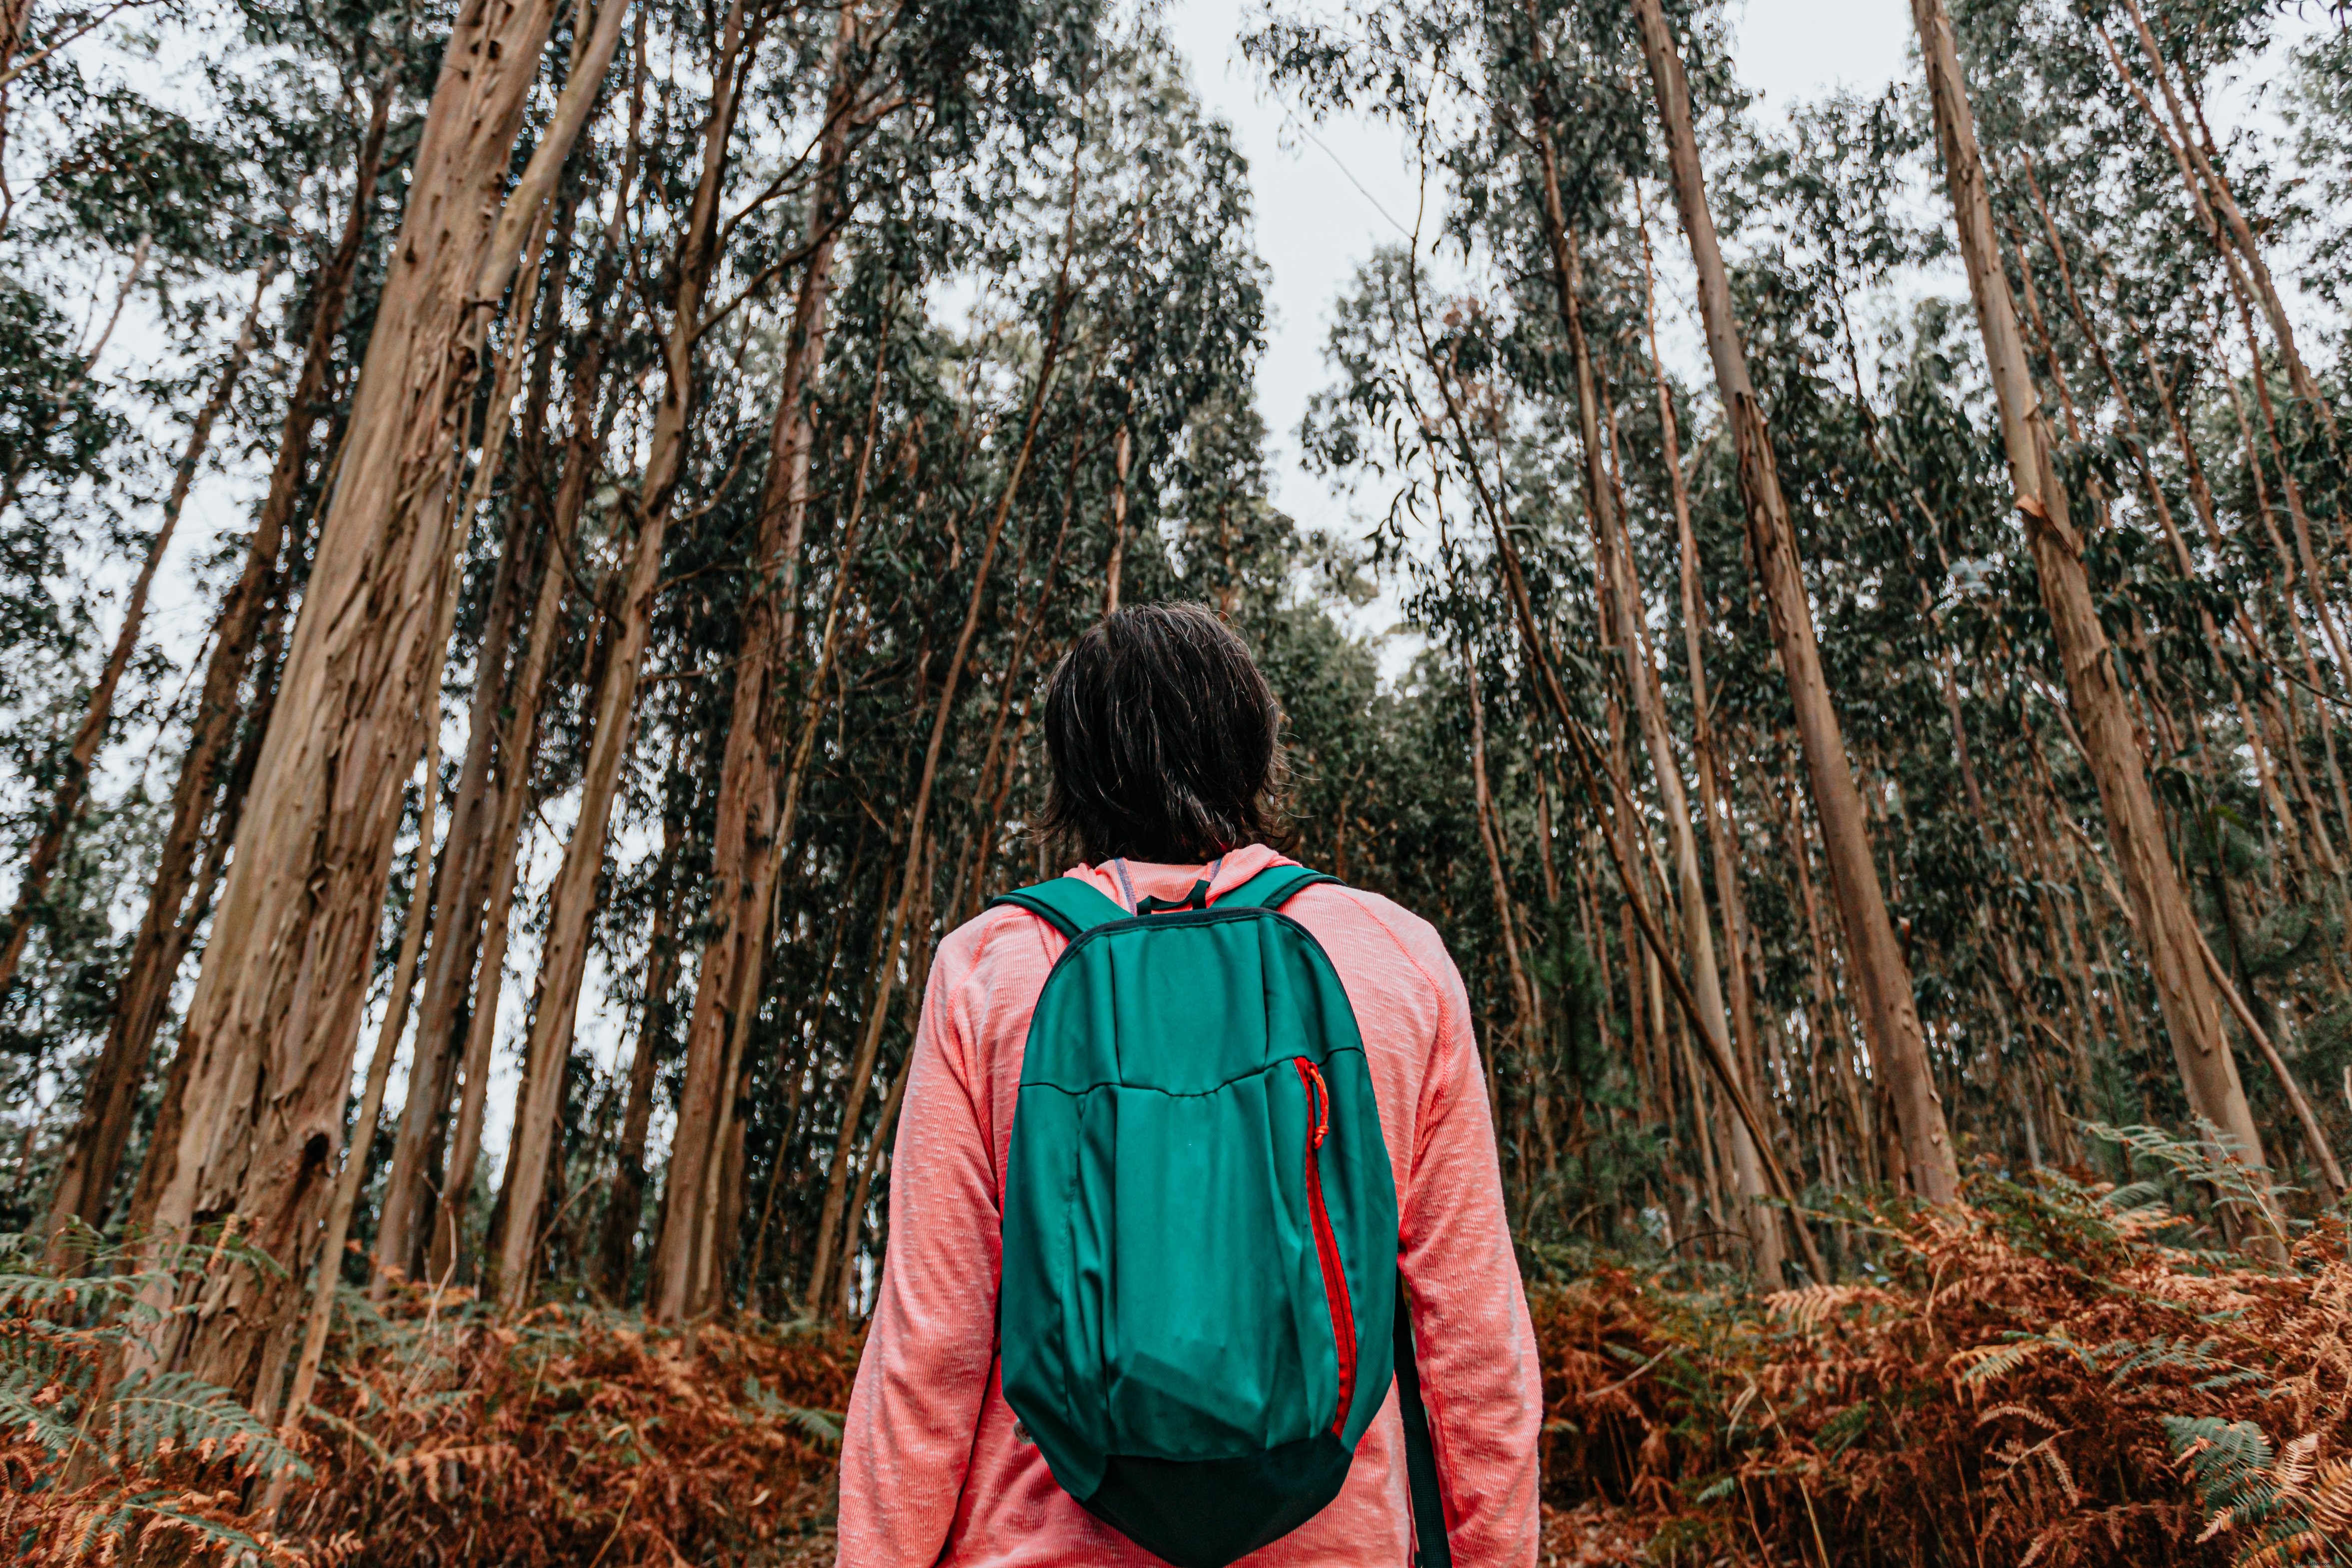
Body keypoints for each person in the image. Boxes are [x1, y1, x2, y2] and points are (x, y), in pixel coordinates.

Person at [837, 603, 1541, 1566]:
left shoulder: (988, 968)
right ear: (1253, 750)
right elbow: (1472, 1344)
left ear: (1074, 769)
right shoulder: (1395, 958)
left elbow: (928, 1350)